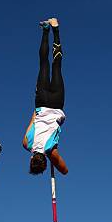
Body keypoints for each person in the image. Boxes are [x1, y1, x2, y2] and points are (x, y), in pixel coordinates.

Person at [22, 17, 69, 175]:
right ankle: (45, 30)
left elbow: (65, 170)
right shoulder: (26, 143)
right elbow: (34, 117)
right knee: (43, 63)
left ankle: (55, 29)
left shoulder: (51, 151)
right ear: (30, 159)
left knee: (57, 66)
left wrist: (51, 156)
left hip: (57, 102)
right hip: (41, 102)